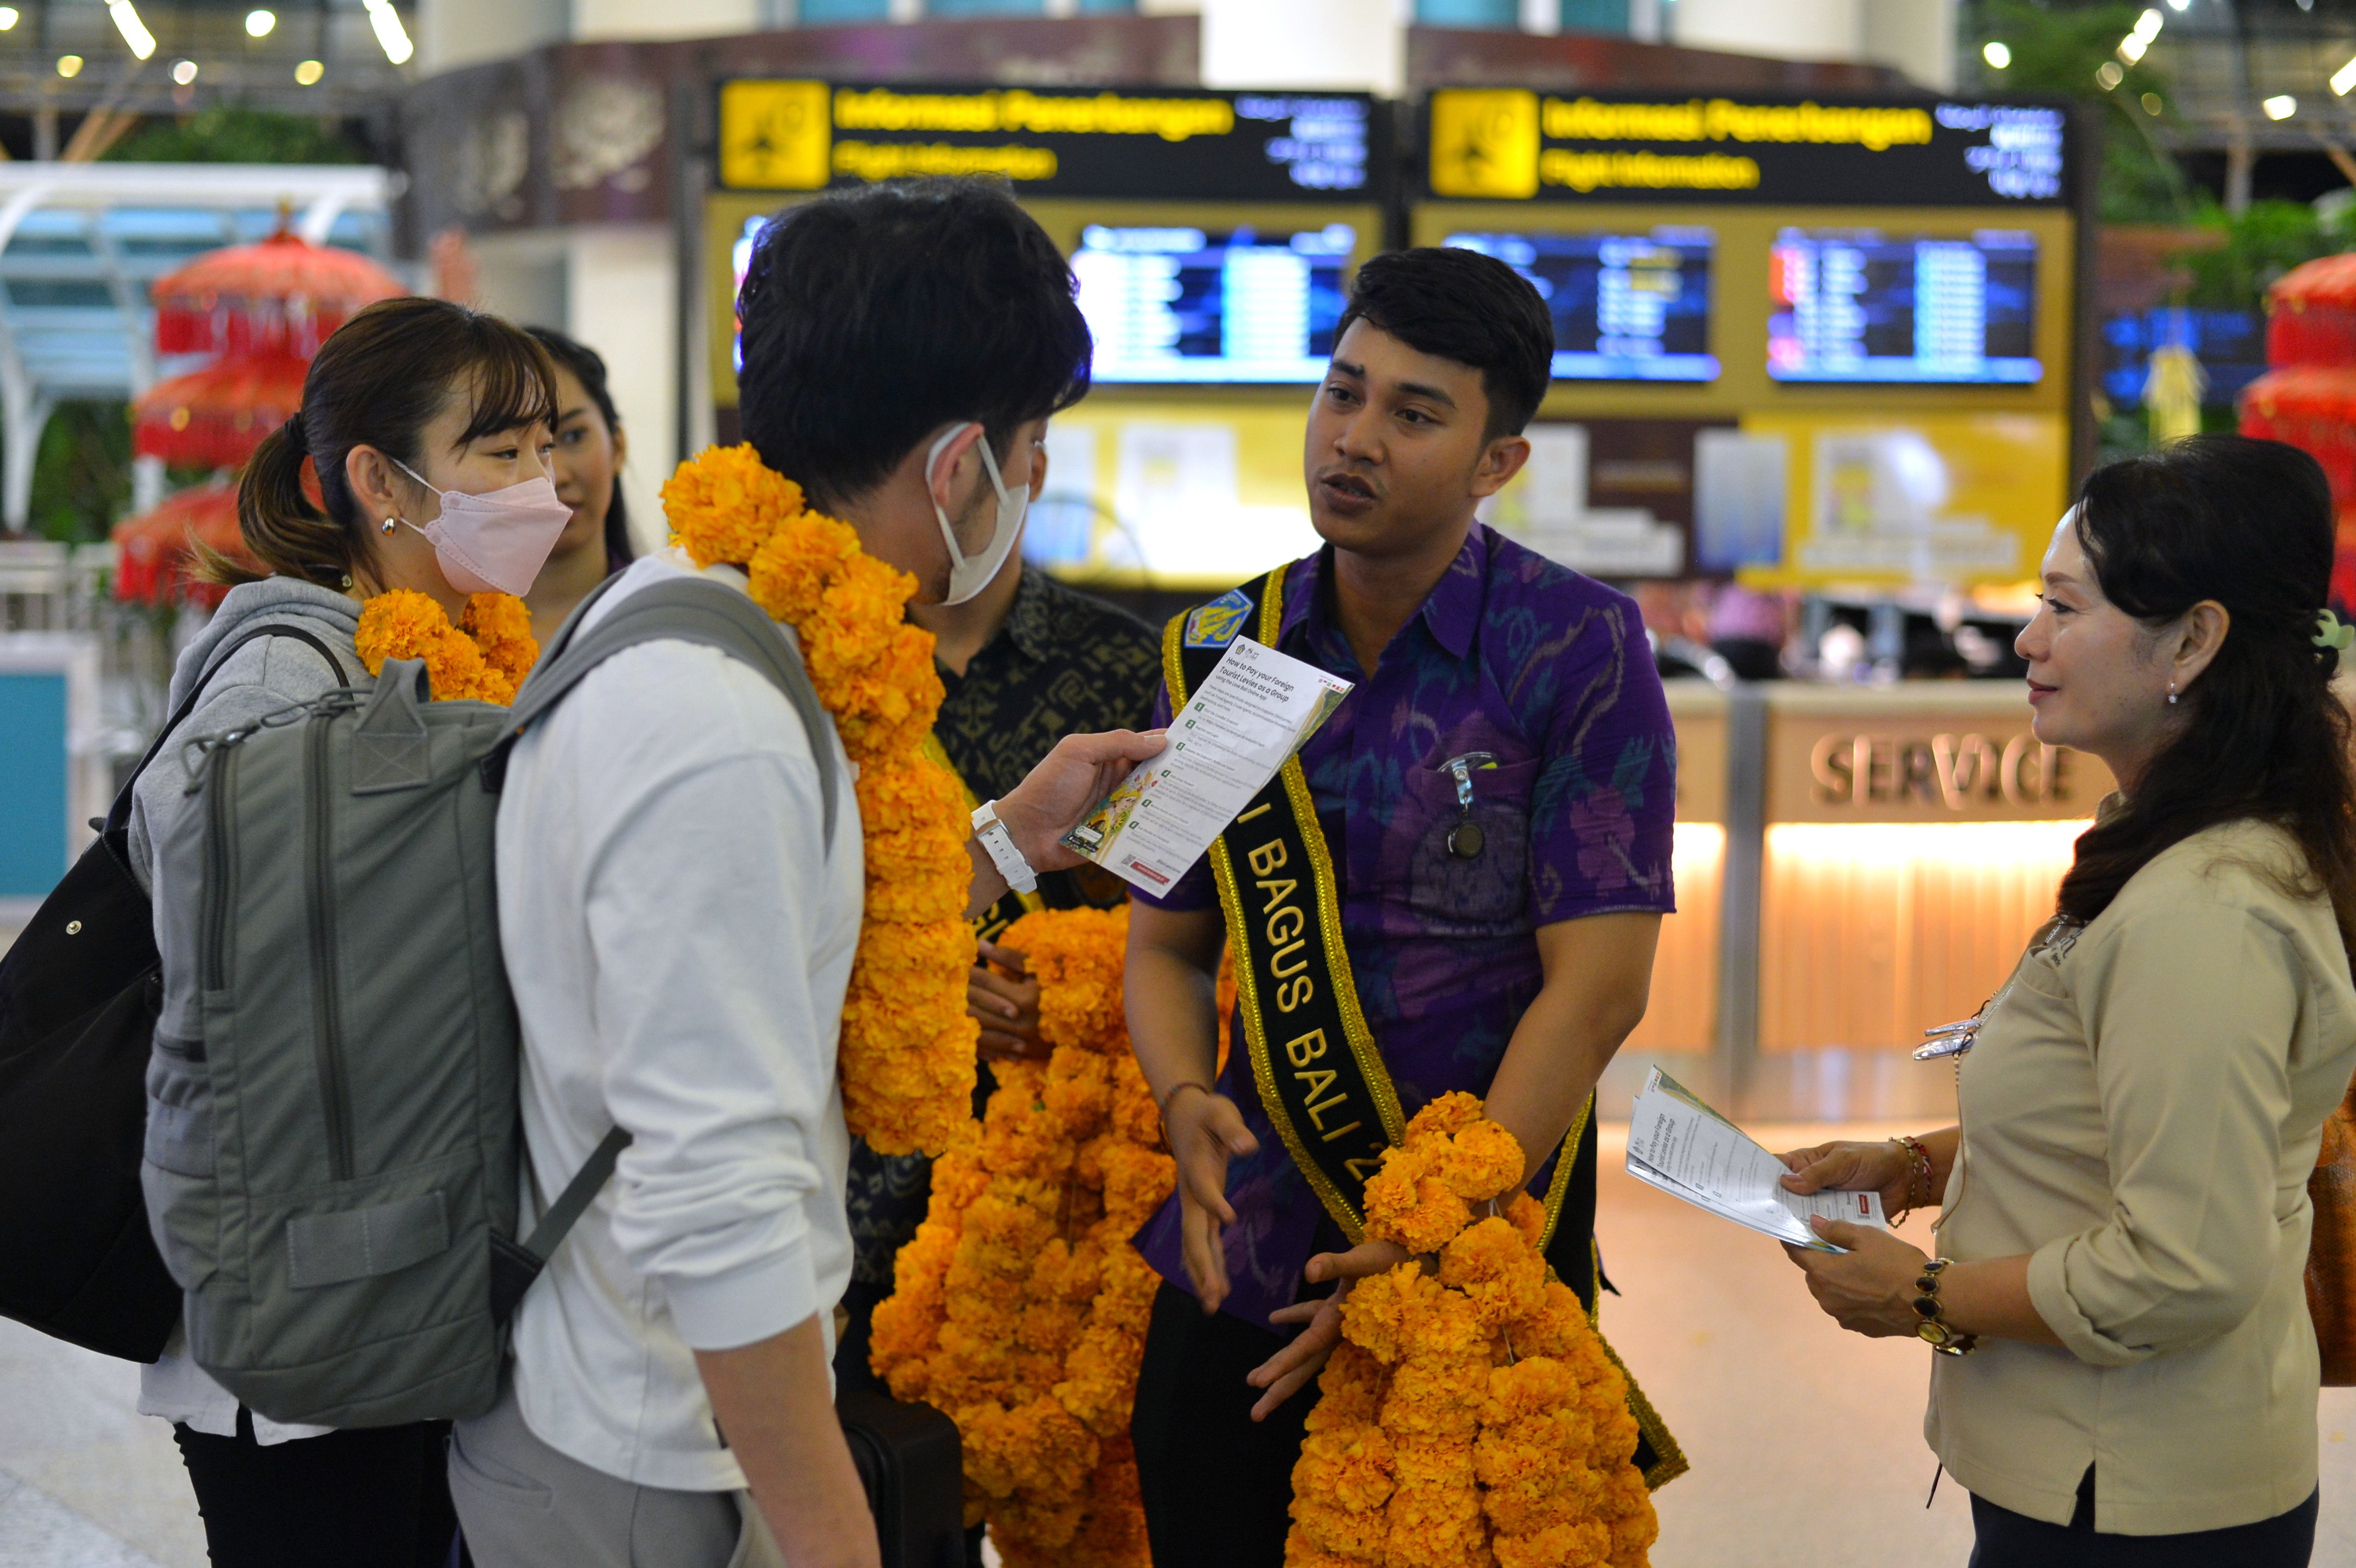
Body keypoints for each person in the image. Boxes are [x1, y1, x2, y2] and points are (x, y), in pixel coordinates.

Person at [457, 177, 1163, 1568]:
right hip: (645, 1445)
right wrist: (837, 1543)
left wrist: (1006, 841)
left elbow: (762, 937)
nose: (1029, 484)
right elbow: (715, 1189)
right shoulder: (719, 718)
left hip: (646, 1407)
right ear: (961, 464)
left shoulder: (709, 632)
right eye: (1030, 453)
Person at [1122, 246, 1680, 1568]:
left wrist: (1430, 1238)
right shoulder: (1220, 647)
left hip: (1476, 1238)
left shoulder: (1577, 646)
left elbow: (1597, 985)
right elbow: (1164, 937)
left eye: (1412, 413)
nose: (1353, 438)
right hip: (1248, 1235)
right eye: (1341, 392)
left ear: (1499, 460)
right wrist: (1174, 1094)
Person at [1779, 434, 2356, 1566]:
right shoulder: (2167, 847)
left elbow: (2182, 1262)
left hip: (2139, 1495)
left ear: (2191, 638)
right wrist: (1910, 1165)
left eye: (2061, 607)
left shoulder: (2205, 911)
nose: (2027, 641)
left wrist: (1927, 1294)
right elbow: (2116, 1118)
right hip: (2096, 1467)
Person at [134, 295, 564, 1568]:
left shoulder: (464, 654)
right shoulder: (290, 664)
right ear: (380, 477)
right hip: (308, 1297)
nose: (545, 484)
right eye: (500, 452)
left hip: (404, 1268)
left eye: (547, 447)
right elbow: (211, 930)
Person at [835, 482, 1163, 1397]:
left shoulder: (1129, 665)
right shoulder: (825, 659)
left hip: (1057, 1166)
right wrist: (914, 972)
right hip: (860, 1162)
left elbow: (1190, 918)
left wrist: (1073, 995)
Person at [521, 325, 634, 643]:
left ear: (618, 447)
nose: (554, 476)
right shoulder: (443, 633)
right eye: (515, 448)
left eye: (573, 436)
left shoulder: (664, 616)